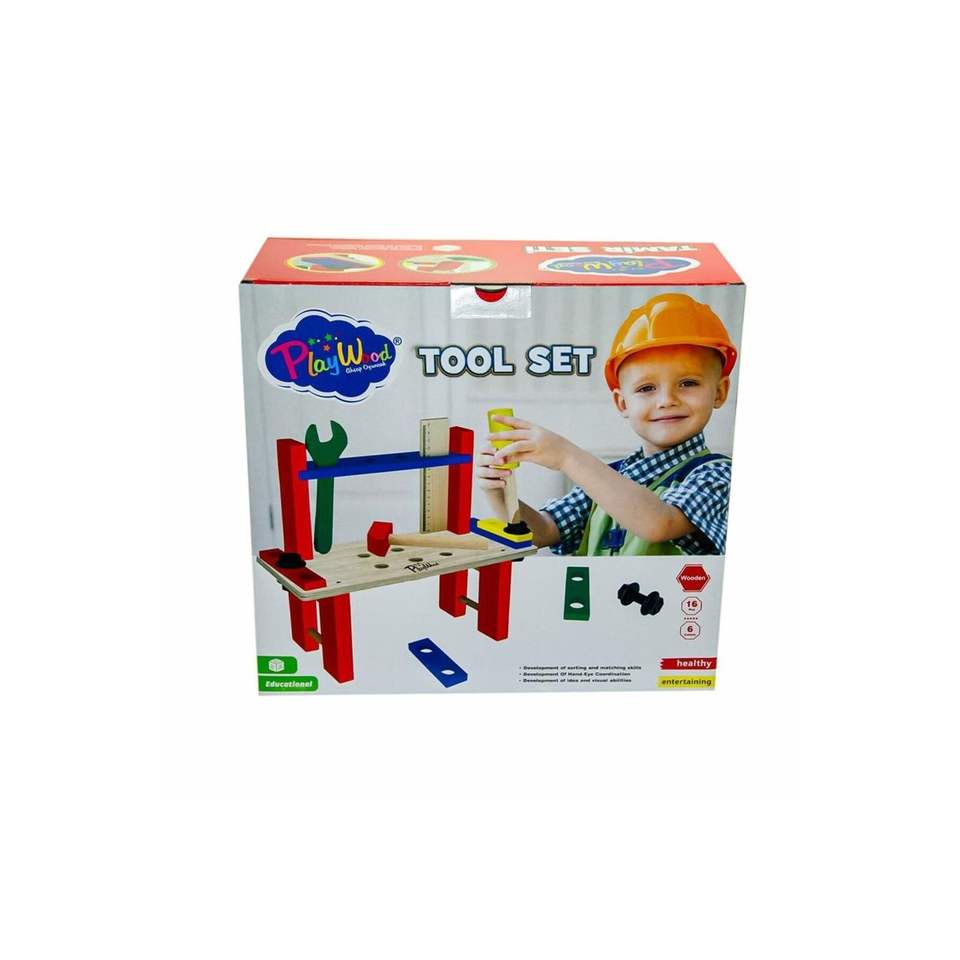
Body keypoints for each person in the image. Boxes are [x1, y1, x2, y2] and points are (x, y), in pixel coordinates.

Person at [477, 293, 737, 556]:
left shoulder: (718, 475)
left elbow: (659, 523)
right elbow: (541, 531)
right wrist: (500, 492)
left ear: (719, 392)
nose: (666, 400)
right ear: (622, 403)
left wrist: (566, 456)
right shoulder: (607, 478)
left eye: (688, 383)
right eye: (647, 388)